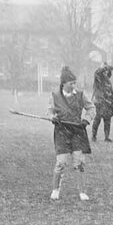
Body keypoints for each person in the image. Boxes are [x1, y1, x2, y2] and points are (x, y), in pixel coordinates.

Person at [47, 66, 95, 201]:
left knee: (79, 162)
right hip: (62, 132)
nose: (74, 86)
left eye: (75, 83)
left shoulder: (80, 95)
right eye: (71, 83)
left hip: (77, 132)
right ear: (64, 83)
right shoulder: (55, 96)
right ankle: (55, 190)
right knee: (61, 162)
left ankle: (82, 192)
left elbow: (91, 108)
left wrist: (86, 119)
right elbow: (50, 111)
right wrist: (52, 117)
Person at [91, 62, 113, 142]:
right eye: (104, 71)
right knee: (97, 119)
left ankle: (107, 137)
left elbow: (111, 94)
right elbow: (97, 73)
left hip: (107, 103)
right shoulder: (98, 79)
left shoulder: (108, 81)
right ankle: (94, 136)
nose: (106, 72)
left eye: (107, 71)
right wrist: (104, 67)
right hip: (99, 102)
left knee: (107, 120)